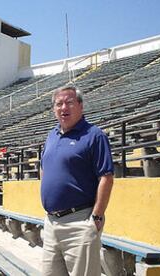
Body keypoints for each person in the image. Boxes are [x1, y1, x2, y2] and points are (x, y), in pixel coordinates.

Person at [40, 86, 114, 276]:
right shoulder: (51, 136)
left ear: (80, 106)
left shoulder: (94, 135)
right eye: (59, 104)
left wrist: (96, 217)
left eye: (69, 102)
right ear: (54, 109)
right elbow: (44, 169)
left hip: (79, 222)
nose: (64, 107)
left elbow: (106, 177)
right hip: (51, 223)